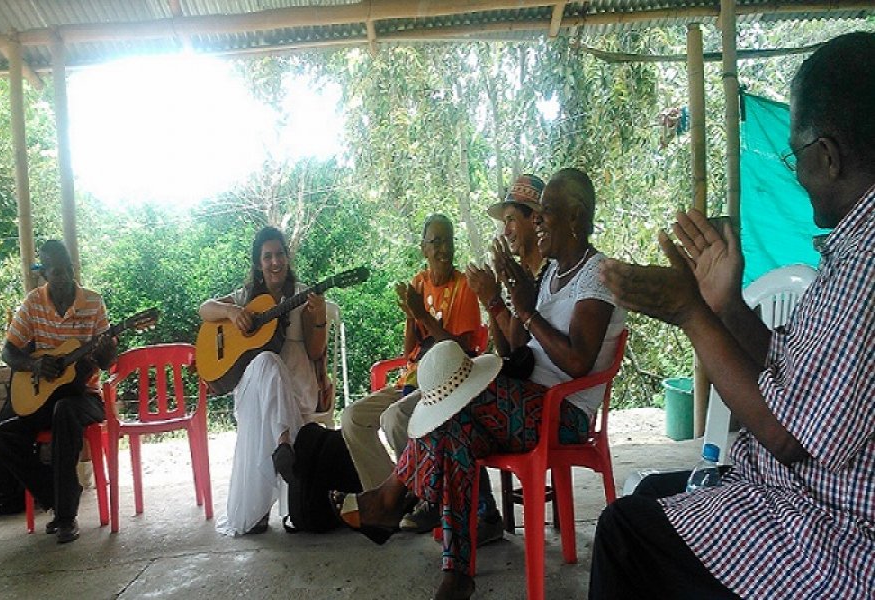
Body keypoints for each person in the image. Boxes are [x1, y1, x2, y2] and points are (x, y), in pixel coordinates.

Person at [591, 32, 875, 600]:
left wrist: (691, 313)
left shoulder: (867, 264)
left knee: (625, 533)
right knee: (646, 500)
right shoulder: (852, 246)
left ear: (829, 155)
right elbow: (796, 375)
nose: (796, 172)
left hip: (835, 539)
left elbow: (789, 436)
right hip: (795, 492)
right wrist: (726, 306)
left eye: (796, 155)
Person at [333, 168, 627, 599]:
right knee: (455, 432)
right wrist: (505, 300)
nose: (538, 222)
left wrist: (527, 311)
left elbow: (579, 362)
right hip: (523, 401)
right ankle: (457, 574)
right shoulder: (550, 275)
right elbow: (518, 352)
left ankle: (394, 496)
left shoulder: (597, 274)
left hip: (562, 413)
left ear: (576, 216)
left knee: (454, 395)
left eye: (546, 212)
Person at [342, 214, 485, 529]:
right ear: (424, 249)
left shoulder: (463, 286)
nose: (444, 249)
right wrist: (411, 316)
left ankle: (426, 498)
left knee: (394, 418)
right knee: (352, 418)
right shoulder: (419, 282)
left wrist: (423, 315)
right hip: (412, 379)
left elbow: (459, 352)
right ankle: (393, 500)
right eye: (436, 242)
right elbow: (409, 351)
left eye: (448, 240)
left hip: (445, 383)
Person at [201, 226, 328, 536]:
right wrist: (232, 312)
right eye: (267, 256)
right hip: (256, 390)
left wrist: (319, 317)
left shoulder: (302, 294)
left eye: (280, 254)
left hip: (297, 386)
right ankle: (283, 445)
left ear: (287, 257)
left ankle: (267, 503)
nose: (275, 262)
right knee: (266, 362)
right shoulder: (246, 297)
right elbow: (204, 309)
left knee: (269, 365)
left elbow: (315, 351)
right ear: (258, 263)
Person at [0, 240, 117, 544]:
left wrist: (105, 349)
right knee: (2, 435)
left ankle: (65, 517)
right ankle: (59, 494)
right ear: (44, 274)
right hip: (44, 400)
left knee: (66, 410)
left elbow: (107, 362)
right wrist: (34, 366)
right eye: (57, 272)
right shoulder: (33, 303)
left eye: (68, 270)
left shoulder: (93, 302)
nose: (64, 277)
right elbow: (8, 351)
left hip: (85, 397)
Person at [468, 173, 547, 360]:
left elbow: (521, 349)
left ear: (535, 219)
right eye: (504, 222)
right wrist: (490, 301)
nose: (506, 231)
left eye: (511, 220)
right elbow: (504, 351)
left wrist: (494, 301)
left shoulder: (550, 273)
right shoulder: (522, 273)